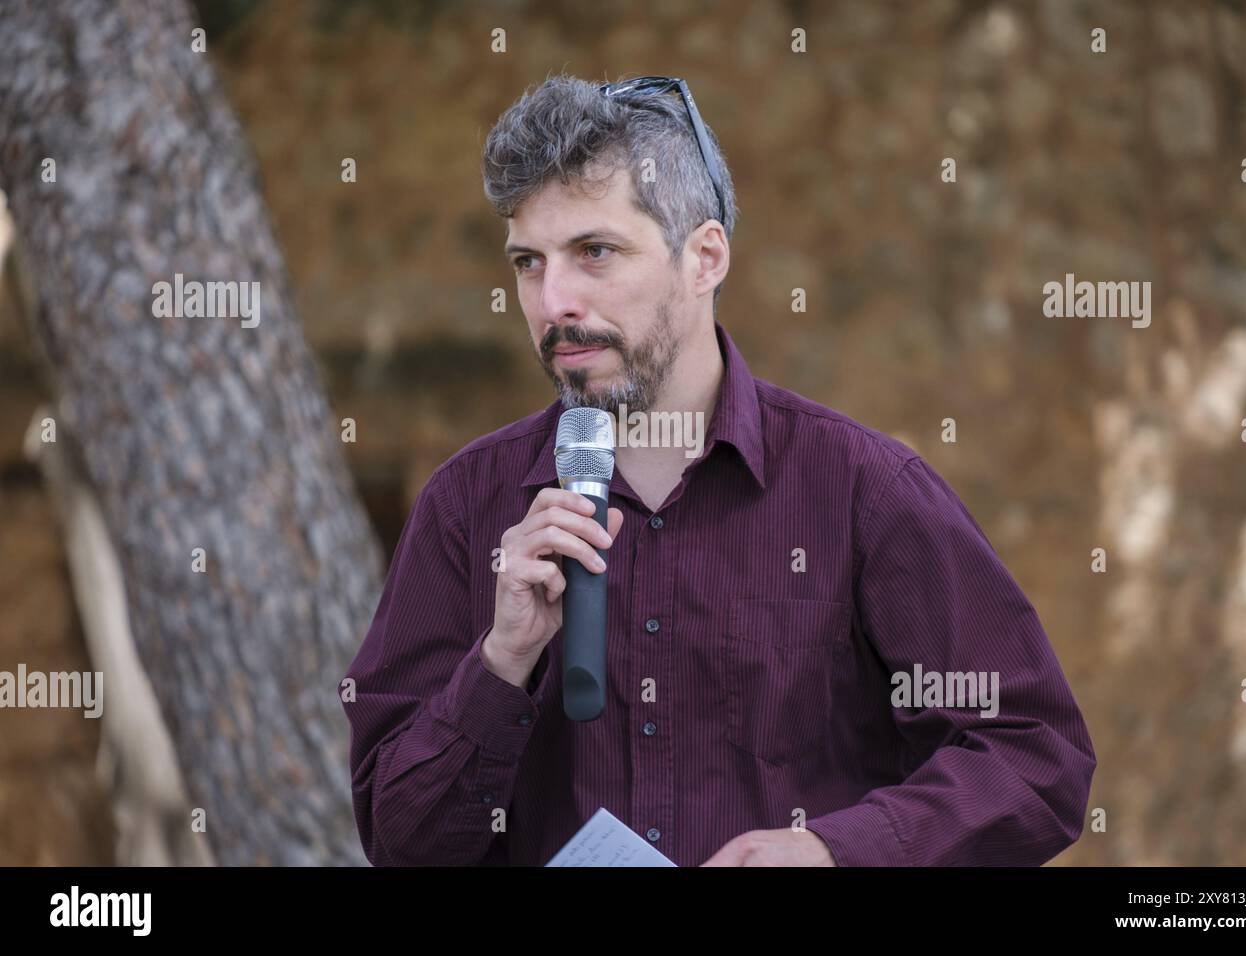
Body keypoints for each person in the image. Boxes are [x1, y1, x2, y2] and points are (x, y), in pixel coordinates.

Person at [340, 72, 1096, 866]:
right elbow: (402, 842)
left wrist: (836, 852)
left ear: (704, 258)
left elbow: (1036, 758)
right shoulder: (467, 506)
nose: (553, 299)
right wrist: (501, 660)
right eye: (529, 262)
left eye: (594, 251)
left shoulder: (862, 491)